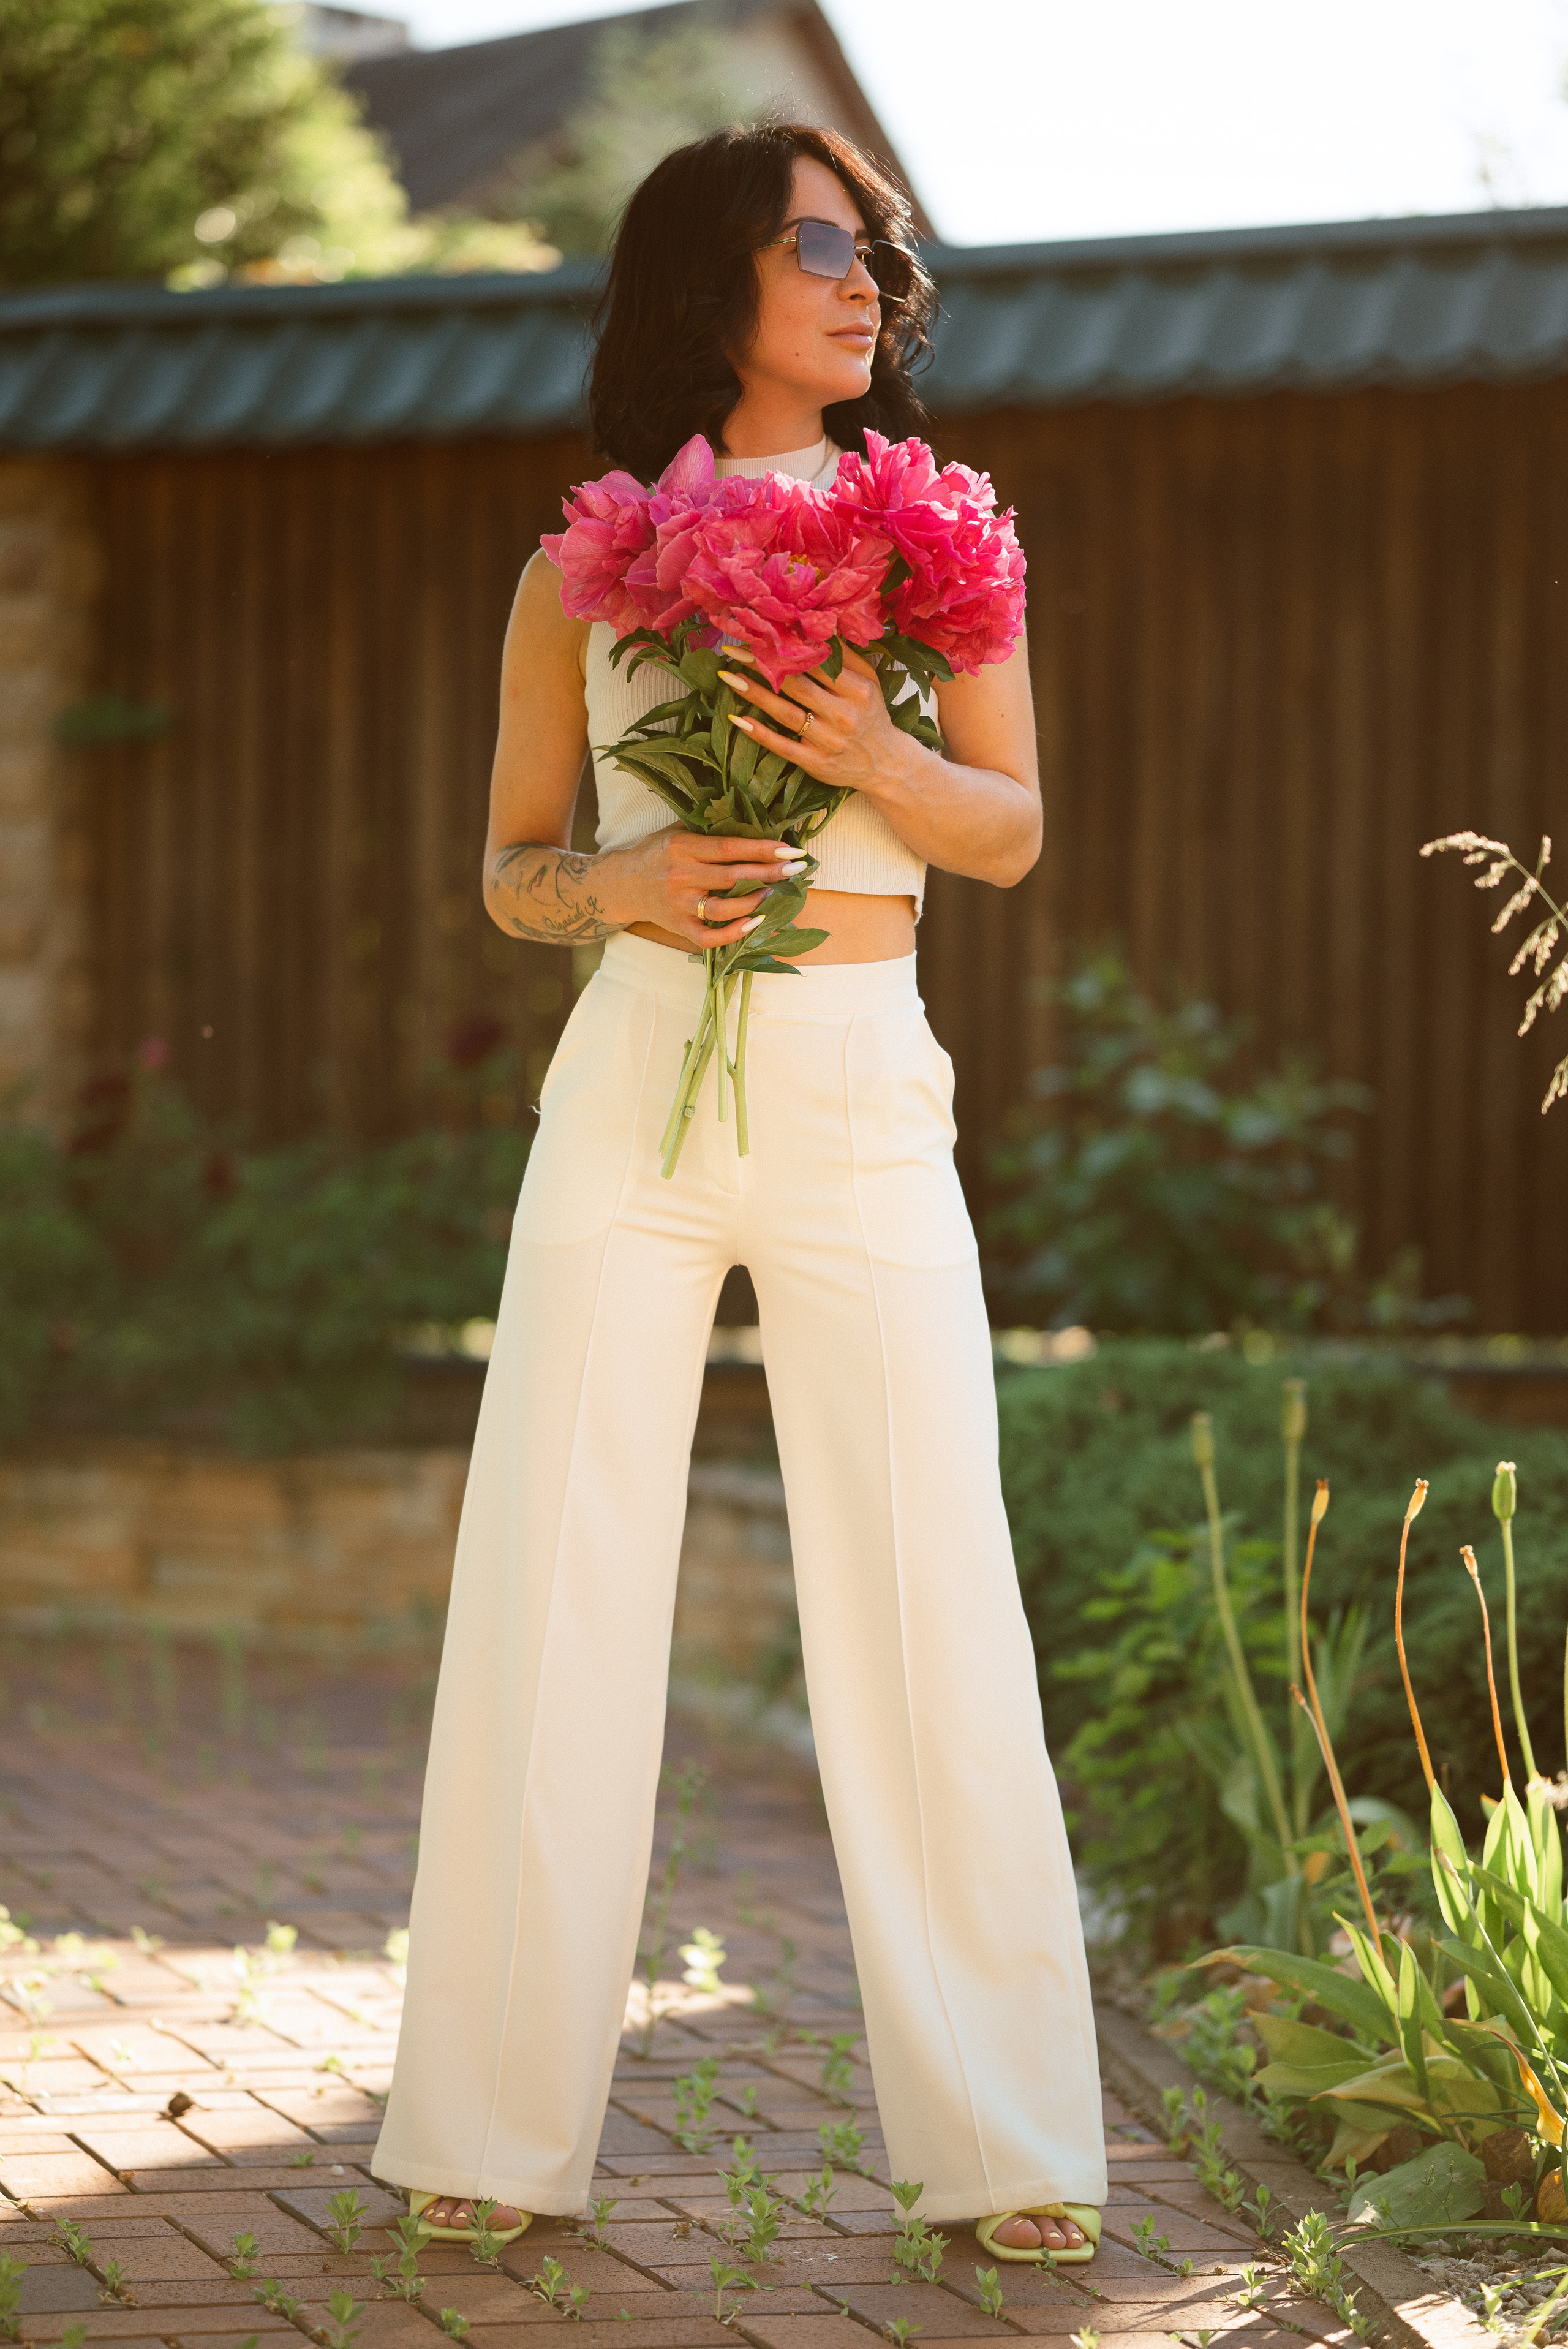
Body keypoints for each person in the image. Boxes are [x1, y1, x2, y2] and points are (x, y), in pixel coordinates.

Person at [372, 121, 1105, 2266]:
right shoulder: (578, 567)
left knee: (928, 1584)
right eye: (813, 243)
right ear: (710, 281)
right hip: (632, 1090)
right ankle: (488, 2137)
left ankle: (1008, 2148)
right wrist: (613, 882)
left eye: (875, 246)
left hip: (866, 1085)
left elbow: (1011, 831)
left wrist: (878, 760)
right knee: (553, 1576)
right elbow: (512, 869)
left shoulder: (942, 542)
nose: (863, 275)